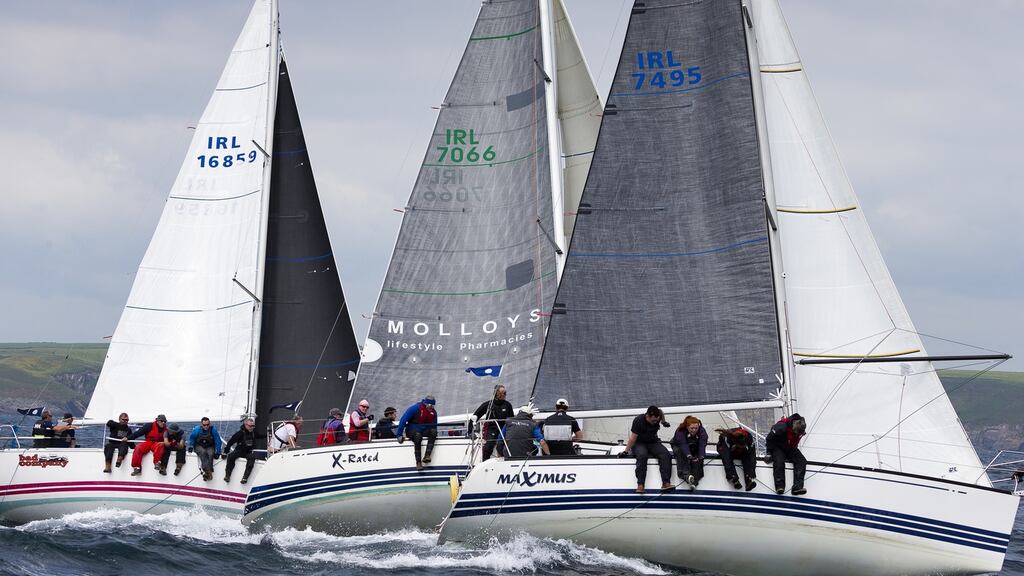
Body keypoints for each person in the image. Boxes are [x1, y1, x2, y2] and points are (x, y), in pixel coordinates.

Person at [624, 405, 673, 493]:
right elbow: (633, 438)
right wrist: (625, 451)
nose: (655, 422)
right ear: (647, 416)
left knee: (666, 455)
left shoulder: (658, 415)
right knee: (642, 455)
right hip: (639, 442)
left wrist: (663, 422)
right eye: (653, 420)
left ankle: (666, 483)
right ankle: (640, 485)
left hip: (652, 442)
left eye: (656, 420)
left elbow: (661, 411)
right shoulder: (638, 420)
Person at [765, 413, 808, 495]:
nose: (797, 434)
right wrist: (769, 453)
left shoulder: (800, 430)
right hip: (778, 447)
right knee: (779, 461)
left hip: (790, 448)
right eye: (796, 432)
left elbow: (795, 439)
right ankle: (779, 486)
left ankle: (797, 487)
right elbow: (769, 438)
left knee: (802, 461)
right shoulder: (781, 427)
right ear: (794, 426)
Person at [470, 385, 514, 460]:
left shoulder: (508, 405)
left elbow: (512, 419)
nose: (505, 395)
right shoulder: (488, 405)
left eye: (505, 393)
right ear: (497, 393)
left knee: (507, 446)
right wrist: (470, 431)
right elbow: (475, 416)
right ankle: (484, 462)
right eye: (503, 393)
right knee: (488, 446)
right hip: (492, 429)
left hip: (504, 429)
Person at [396, 395, 437, 471]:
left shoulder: (433, 413)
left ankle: (427, 456)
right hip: (412, 430)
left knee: (434, 432)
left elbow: (434, 426)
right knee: (418, 436)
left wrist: (433, 433)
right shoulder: (415, 408)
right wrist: (399, 435)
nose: (431, 407)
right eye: (430, 405)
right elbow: (403, 420)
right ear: (425, 404)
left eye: (433, 405)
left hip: (423, 430)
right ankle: (418, 462)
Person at [671, 415, 707, 490]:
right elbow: (683, 445)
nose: (694, 430)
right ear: (687, 427)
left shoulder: (702, 431)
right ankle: (687, 476)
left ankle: (695, 481)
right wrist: (689, 456)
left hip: (694, 446)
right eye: (692, 428)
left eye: (696, 428)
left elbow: (702, 444)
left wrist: (701, 456)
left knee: (698, 460)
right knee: (680, 453)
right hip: (678, 446)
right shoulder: (680, 431)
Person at [716, 426, 757, 491]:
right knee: (726, 458)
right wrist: (731, 475)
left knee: (747, 458)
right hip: (724, 448)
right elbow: (727, 459)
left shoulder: (749, 438)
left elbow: (752, 456)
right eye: (740, 446)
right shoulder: (727, 439)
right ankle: (734, 479)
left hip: (739, 450)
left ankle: (748, 480)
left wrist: (752, 472)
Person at [224, 418, 258, 484]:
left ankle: (245, 478)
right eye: (250, 426)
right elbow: (231, 442)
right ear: (246, 425)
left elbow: (261, 436)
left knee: (252, 458)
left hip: (248, 452)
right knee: (231, 456)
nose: (252, 428)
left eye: (253, 426)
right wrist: (225, 452)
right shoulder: (240, 433)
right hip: (239, 451)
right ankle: (227, 475)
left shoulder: (254, 433)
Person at [188, 417, 222, 481]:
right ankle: (208, 471)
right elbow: (192, 438)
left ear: (210, 424)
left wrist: (218, 452)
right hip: (199, 445)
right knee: (203, 452)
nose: (206, 426)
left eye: (207, 425)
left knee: (211, 453)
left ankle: (208, 472)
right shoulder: (197, 429)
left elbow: (218, 441)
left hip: (210, 446)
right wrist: (191, 446)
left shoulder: (213, 430)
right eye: (204, 425)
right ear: (201, 424)